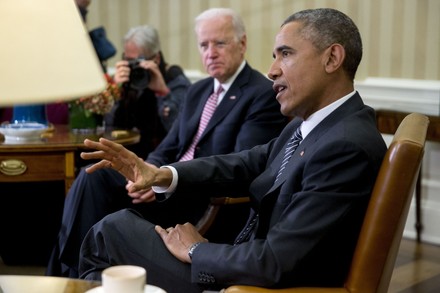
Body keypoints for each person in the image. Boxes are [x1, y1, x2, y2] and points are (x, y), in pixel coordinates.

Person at [77, 8, 388, 293]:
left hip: (250, 284)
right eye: (274, 56)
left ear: (332, 58)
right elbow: (245, 163)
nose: (272, 70)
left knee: (110, 232)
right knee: (111, 233)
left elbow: (276, 261)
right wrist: (163, 174)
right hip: (240, 262)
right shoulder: (312, 126)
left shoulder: (345, 146)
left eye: (286, 54)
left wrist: (196, 250)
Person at [46, 8, 287, 279]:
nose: (211, 52)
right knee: (93, 175)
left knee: (96, 187)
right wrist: (149, 169)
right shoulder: (199, 90)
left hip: (194, 196)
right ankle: (75, 273)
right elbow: (169, 146)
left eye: (220, 43)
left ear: (242, 44)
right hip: (164, 183)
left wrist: (163, 180)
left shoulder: (261, 93)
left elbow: (239, 166)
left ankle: (66, 275)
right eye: (204, 45)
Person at [104, 25, 191, 159]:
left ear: (156, 58)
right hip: (126, 156)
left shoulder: (174, 79)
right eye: (128, 60)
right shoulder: (127, 79)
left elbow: (183, 133)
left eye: (138, 61)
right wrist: (116, 91)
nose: (134, 67)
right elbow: (110, 127)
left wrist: (163, 93)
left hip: (161, 160)